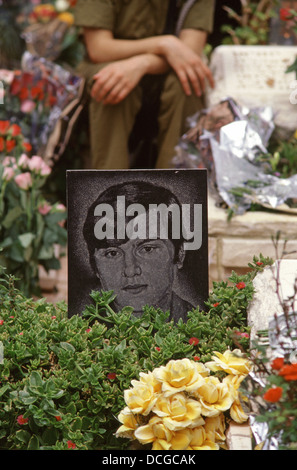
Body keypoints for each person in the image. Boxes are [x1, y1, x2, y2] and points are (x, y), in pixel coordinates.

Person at [74, 0, 215, 169]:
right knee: (112, 82)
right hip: (109, 67)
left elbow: (188, 55)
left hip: (162, 72)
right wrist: (163, 44)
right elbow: (98, 48)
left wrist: (143, 63)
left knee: (187, 82)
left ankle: (174, 187)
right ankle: (113, 189)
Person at [82, 181, 201, 322]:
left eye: (147, 249)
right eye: (112, 253)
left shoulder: (197, 324)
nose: (130, 270)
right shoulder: (83, 331)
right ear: (95, 266)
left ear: (180, 254)